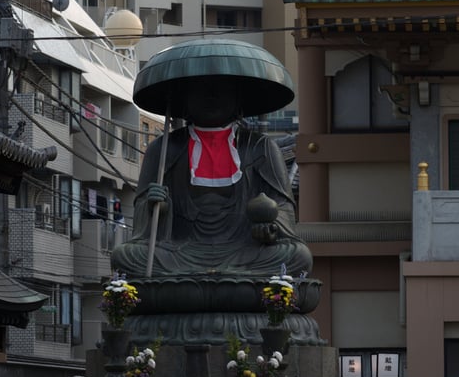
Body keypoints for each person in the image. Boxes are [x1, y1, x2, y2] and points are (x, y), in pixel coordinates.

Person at [111, 76, 312, 278]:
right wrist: (156, 206)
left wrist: (270, 228)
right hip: (180, 252)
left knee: (298, 256)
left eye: (221, 90)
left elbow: (283, 207)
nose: (211, 96)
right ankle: (224, 281)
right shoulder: (163, 149)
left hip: (243, 251)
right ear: (184, 99)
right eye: (201, 90)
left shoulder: (261, 147)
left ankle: (206, 282)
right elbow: (144, 221)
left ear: (238, 98)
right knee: (125, 256)